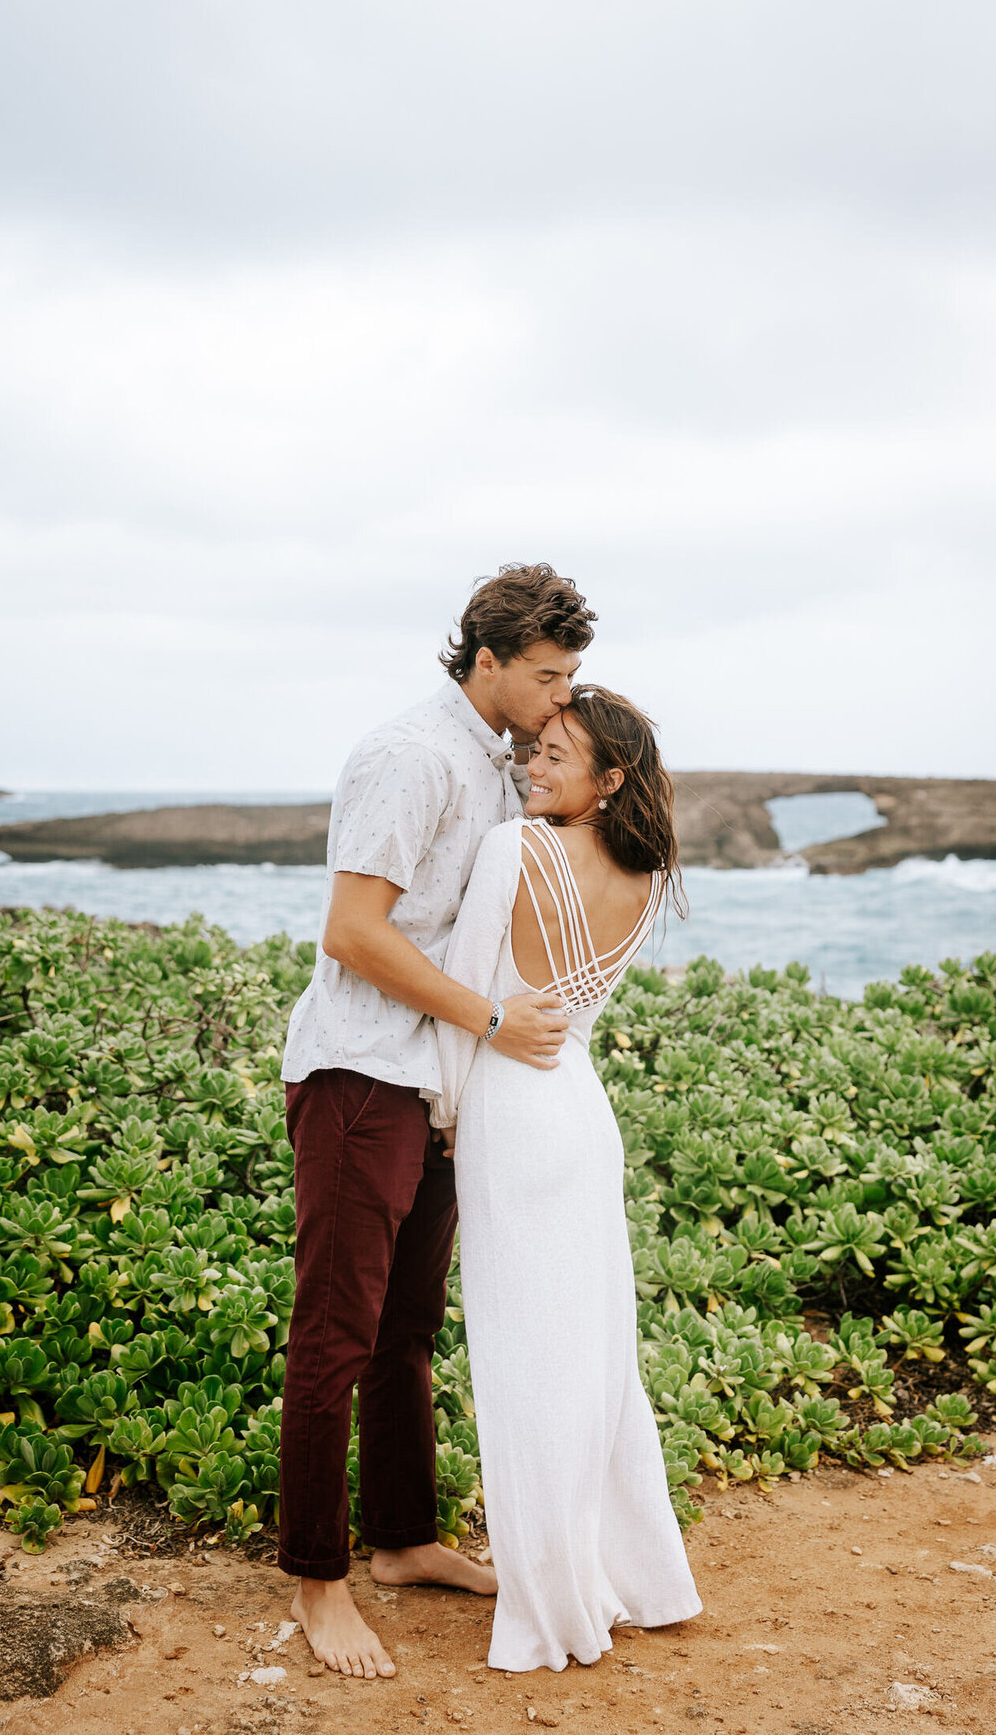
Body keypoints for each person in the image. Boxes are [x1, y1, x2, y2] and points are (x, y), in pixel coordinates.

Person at [279, 563, 597, 1680]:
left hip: (435, 1087)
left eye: (572, 681)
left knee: (407, 1328)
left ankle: (405, 1541)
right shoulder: (412, 755)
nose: (563, 702)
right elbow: (353, 932)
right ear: (490, 659)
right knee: (339, 1330)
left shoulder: (495, 763)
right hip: (359, 1074)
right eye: (550, 679)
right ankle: (319, 1581)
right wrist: (493, 1020)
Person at [429, 685, 703, 1672]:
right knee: (591, 1359)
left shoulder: (515, 849)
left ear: (608, 778)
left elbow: (466, 993)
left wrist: (448, 1117)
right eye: (534, 750)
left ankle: (552, 1608)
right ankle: (642, 1578)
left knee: (521, 1364)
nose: (532, 767)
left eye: (555, 755)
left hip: (510, 1110)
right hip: (582, 1112)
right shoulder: (647, 868)